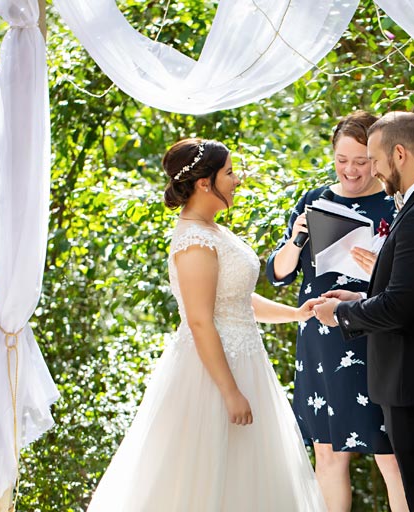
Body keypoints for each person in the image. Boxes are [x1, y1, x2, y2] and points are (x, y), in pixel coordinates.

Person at [88, 138, 325, 511]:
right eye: (229, 173)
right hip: (211, 374)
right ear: (203, 183)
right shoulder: (194, 240)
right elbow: (200, 321)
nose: (237, 179)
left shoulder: (213, 229)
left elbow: (235, 300)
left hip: (246, 362)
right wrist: (230, 391)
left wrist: (296, 313)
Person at [313, 111, 414, 511]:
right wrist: (358, 298)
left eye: (375, 158)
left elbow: (399, 309)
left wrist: (340, 314)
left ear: (399, 153)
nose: (375, 169)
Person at [266, 111, 407, 511]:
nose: (351, 170)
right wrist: (295, 241)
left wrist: (378, 266)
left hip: (375, 335)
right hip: (321, 340)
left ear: (377, 159)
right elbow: (279, 275)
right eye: (342, 160)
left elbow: (411, 280)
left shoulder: (394, 204)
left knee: (390, 454)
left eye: (361, 161)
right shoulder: (314, 201)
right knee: (327, 454)